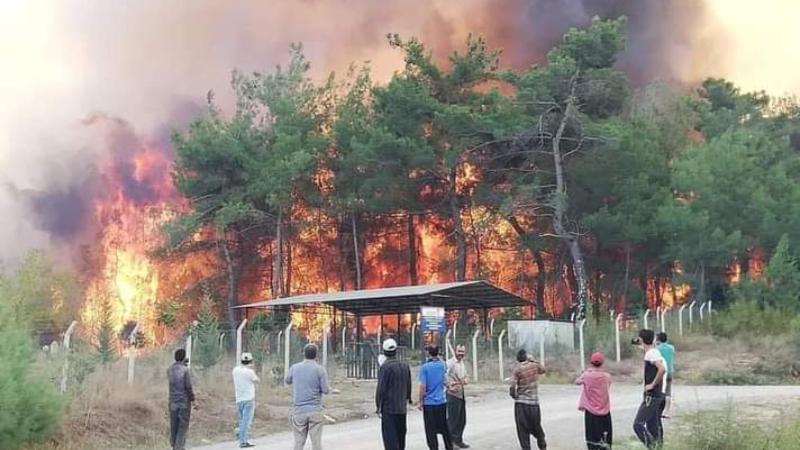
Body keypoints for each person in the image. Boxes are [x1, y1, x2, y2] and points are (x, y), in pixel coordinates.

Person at [286, 343, 331, 450]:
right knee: (316, 443)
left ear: (303, 354)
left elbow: (287, 380)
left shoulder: (295, 367)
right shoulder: (320, 370)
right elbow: (325, 390)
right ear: (317, 355)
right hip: (315, 410)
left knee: (298, 443)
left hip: (299, 411)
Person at [632, 329, 667, 449]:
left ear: (641, 339)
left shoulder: (651, 354)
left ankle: (652, 447)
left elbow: (661, 369)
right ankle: (658, 446)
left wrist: (652, 384)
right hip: (657, 394)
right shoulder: (653, 352)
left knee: (638, 424)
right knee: (653, 426)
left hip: (652, 394)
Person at [375, 338, 412, 450]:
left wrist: (378, 406)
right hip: (401, 409)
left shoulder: (385, 368)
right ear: (396, 351)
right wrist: (408, 398)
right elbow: (408, 384)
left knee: (390, 441)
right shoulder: (405, 366)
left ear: (384, 352)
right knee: (401, 439)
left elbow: (381, 389)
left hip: (389, 410)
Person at [509, 349, 547, 450]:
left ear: (518, 359)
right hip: (534, 403)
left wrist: (514, 395)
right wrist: (533, 360)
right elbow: (543, 370)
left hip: (521, 404)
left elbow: (512, 386)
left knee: (522, 430)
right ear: (526, 357)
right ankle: (542, 445)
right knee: (536, 426)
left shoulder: (517, 369)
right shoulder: (534, 365)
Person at [418, 345, 453, 450]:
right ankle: (449, 446)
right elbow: (445, 379)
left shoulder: (425, 367)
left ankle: (434, 448)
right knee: (444, 426)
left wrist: (420, 401)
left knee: (430, 430)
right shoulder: (442, 365)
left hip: (429, 403)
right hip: (441, 401)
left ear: (428, 353)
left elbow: (423, 386)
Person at [576, 352, 613, 450]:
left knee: (592, 442)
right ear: (602, 363)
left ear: (591, 362)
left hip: (591, 414)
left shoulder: (587, 376)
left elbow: (577, 382)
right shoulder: (607, 376)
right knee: (605, 441)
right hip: (605, 414)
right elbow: (608, 384)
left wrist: (587, 371)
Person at [167, 348, 195, 450]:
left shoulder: (169, 369)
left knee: (173, 424)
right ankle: (179, 447)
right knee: (183, 425)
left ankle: (174, 444)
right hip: (184, 402)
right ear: (183, 358)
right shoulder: (185, 370)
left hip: (172, 401)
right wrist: (192, 397)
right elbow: (188, 386)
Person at [232, 352, 260, 448]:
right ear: (250, 361)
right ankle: (243, 441)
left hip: (238, 399)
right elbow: (257, 380)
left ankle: (240, 434)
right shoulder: (250, 372)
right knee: (246, 421)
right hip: (248, 399)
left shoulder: (235, 370)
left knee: (241, 420)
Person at [446, 344, 470, 448]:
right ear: (455, 351)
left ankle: (458, 440)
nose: (461, 354)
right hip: (452, 395)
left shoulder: (462, 363)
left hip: (461, 394)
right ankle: (451, 442)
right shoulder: (450, 363)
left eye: (462, 352)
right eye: (459, 351)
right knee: (453, 421)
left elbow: (466, 376)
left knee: (461, 420)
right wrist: (448, 386)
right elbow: (443, 375)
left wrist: (466, 380)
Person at [656, 332, 675, 419]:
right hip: (670, 370)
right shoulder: (671, 348)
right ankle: (666, 411)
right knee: (668, 391)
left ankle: (659, 410)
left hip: (661, 371)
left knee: (660, 391)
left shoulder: (657, 349)